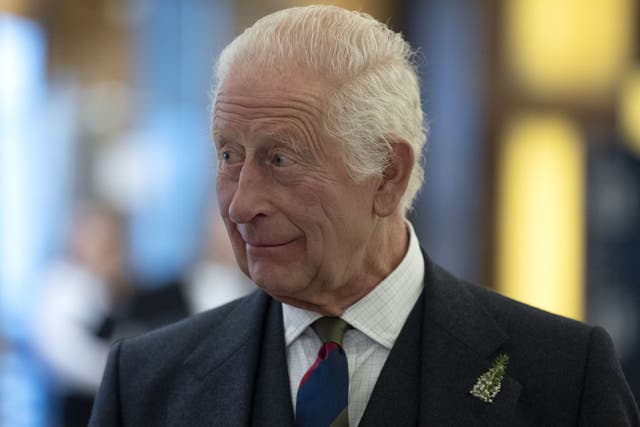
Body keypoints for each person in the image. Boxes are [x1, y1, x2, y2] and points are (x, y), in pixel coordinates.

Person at [89, 5, 639, 426]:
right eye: (229, 156)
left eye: (279, 159)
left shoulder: (565, 377)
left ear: (386, 175)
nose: (240, 203)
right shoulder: (143, 385)